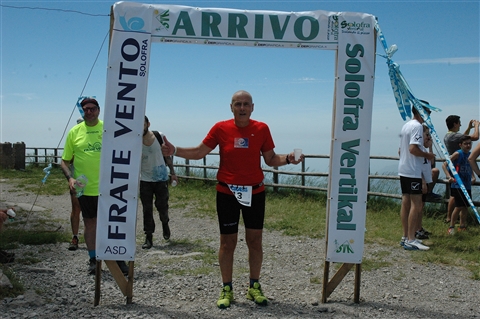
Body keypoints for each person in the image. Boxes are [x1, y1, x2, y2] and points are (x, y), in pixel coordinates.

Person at [161, 90, 303, 309]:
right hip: (227, 193)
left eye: (246, 104)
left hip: (255, 193)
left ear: (253, 107)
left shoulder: (262, 128)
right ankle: (226, 287)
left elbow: (271, 158)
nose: (242, 108)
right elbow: (200, 151)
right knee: (228, 243)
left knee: (254, 242)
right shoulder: (221, 128)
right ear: (231, 107)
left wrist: (289, 159)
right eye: (238, 104)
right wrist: (175, 150)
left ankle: (254, 286)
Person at [61, 98, 128, 275]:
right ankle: (93, 258)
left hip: (110, 187)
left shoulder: (108, 130)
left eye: (92, 109)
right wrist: (70, 178)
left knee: (112, 224)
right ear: (82, 112)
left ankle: (118, 260)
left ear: (98, 110)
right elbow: (64, 161)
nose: (89, 112)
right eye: (85, 109)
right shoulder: (74, 132)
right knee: (90, 223)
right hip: (85, 188)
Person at [398, 106, 435, 251]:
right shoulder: (418, 126)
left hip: (404, 169)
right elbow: (413, 149)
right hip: (413, 170)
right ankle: (411, 239)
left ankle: (405, 236)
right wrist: (428, 155)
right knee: (417, 204)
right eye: (427, 112)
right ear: (420, 112)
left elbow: (402, 148)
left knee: (406, 202)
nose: (429, 115)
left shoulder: (406, 125)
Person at [140, 116, 178, 249]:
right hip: (144, 180)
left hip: (161, 179)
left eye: (143, 124)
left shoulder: (159, 136)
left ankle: (165, 223)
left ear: (148, 124)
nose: (140, 127)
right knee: (147, 209)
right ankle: (148, 236)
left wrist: (173, 173)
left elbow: (167, 156)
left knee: (162, 206)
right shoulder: (134, 140)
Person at [443, 116, 479, 223]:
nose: (460, 125)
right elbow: (475, 137)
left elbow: (463, 137)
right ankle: (450, 219)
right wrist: (476, 126)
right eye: (459, 123)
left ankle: (451, 218)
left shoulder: (449, 135)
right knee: (455, 196)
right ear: (455, 124)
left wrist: (469, 128)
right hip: (457, 168)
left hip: (459, 165)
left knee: (455, 196)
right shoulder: (454, 136)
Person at [442, 135, 475, 234]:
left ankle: (462, 225)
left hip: (467, 184)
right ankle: (451, 226)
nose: (468, 145)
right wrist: (449, 176)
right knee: (458, 206)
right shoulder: (458, 154)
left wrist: (473, 176)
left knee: (465, 206)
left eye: (469, 143)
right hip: (457, 185)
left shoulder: (470, 155)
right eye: (465, 144)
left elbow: (470, 167)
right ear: (460, 145)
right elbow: (445, 164)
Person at [68, 117, 85, 251]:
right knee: (76, 209)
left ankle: (94, 238)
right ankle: (75, 236)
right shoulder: (74, 139)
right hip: (77, 180)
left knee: (93, 212)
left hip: (94, 182)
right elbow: (67, 160)